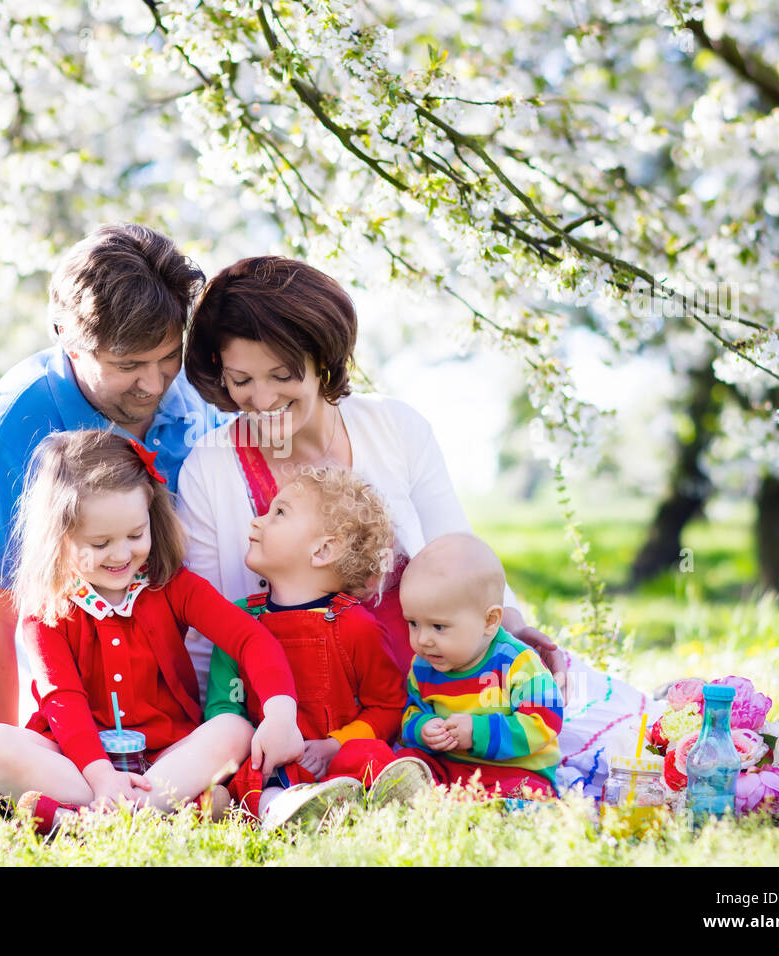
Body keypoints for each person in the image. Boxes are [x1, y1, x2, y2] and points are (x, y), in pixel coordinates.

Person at [176, 255, 657, 798]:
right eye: (241, 380)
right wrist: (211, 728)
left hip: (438, 686)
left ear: (322, 360)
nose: (261, 400)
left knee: (626, 736)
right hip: (299, 708)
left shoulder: (394, 429)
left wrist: (515, 628)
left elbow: (459, 550)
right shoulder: (211, 468)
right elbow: (207, 627)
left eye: (283, 376)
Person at [0, 224, 226, 738]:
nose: (154, 383)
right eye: (128, 365)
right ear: (71, 344)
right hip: (80, 708)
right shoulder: (5, 434)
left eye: (168, 357)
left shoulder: (200, 388)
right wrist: (2, 764)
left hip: (201, 690)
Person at [0, 430, 304, 832]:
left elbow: (249, 637)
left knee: (234, 729)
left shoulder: (173, 586)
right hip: (76, 761)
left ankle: (90, 819)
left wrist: (280, 711)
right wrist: (101, 778)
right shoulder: (47, 613)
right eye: (99, 543)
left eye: (134, 535)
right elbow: (63, 700)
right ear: (59, 538)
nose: (120, 554)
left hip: (166, 757)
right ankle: (152, 812)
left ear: (152, 519)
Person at [203, 465, 432, 828]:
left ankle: (388, 797)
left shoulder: (356, 626)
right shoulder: (239, 622)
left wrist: (335, 745)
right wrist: (259, 746)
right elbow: (222, 708)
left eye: (278, 513)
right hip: (274, 761)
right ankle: (286, 810)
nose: (256, 522)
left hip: (338, 757)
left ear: (323, 550)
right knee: (251, 777)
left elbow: (388, 706)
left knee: (369, 752)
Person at [395, 533, 563, 798]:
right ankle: (420, 798)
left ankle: (500, 809)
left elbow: (545, 721)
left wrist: (478, 732)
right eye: (413, 623)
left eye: (438, 626)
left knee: (525, 796)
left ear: (490, 621)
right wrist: (424, 727)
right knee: (406, 762)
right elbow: (411, 712)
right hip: (449, 767)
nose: (423, 639)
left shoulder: (517, 663)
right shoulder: (424, 665)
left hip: (512, 771)